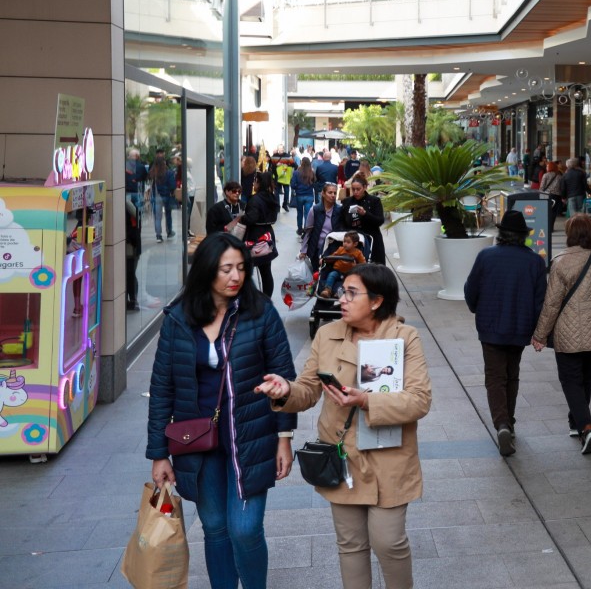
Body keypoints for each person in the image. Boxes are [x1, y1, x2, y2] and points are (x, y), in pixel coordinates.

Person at [256, 264, 432, 589]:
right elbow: (307, 390)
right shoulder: (327, 334)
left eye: (352, 293)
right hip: (343, 457)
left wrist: (366, 401)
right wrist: (285, 391)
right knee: (350, 545)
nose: (341, 299)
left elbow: (419, 400)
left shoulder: (404, 338)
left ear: (377, 301)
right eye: (342, 291)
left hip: (390, 458)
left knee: (389, 542)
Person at [146, 233, 297, 589]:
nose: (236, 277)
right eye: (226, 269)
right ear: (206, 271)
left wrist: (284, 436)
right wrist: (158, 454)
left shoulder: (259, 313)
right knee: (214, 528)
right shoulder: (178, 320)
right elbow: (162, 389)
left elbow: (284, 380)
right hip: (197, 442)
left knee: (244, 529)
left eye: (242, 268)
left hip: (251, 436)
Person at [531, 214, 591, 454]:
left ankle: (586, 427)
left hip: (569, 332)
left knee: (570, 380)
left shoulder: (561, 262)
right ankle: (576, 422)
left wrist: (540, 335)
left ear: (570, 235)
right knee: (586, 377)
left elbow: (552, 304)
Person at [463, 210, 547, 456]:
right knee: (512, 374)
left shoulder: (486, 256)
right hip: (520, 328)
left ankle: (502, 424)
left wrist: (475, 308)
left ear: (501, 234)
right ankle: (508, 421)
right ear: (523, 236)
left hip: (490, 327)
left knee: (495, 377)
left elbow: (471, 289)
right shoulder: (535, 261)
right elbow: (540, 300)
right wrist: (539, 331)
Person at [243, 171, 280, 299]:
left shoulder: (255, 199)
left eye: (255, 181)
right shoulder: (272, 197)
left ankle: (250, 298)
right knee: (266, 271)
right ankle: (266, 298)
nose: (253, 184)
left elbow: (251, 218)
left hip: (255, 236)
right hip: (268, 234)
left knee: (247, 269)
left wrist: (242, 218)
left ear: (259, 183)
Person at [341, 175, 386, 264]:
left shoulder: (374, 201)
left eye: (358, 189)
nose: (355, 192)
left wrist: (366, 214)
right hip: (353, 241)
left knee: (374, 267)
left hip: (372, 238)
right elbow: (342, 221)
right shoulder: (347, 202)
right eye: (353, 189)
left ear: (365, 187)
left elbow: (380, 220)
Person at [303, 181, 344, 274]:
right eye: (330, 192)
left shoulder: (340, 210)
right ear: (323, 194)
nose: (333, 195)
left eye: (335, 193)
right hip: (316, 250)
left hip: (333, 251)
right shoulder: (315, 210)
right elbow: (308, 231)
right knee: (315, 275)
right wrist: (303, 250)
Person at [320, 231, 366, 297]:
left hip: (350, 273)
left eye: (348, 242)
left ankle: (340, 293)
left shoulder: (358, 253)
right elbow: (332, 257)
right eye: (344, 241)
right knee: (331, 275)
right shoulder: (340, 249)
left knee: (350, 281)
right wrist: (324, 260)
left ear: (355, 244)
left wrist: (357, 266)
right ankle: (327, 290)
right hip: (337, 271)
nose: (345, 244)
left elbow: (363, 264)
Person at [146, 149, 176, 242]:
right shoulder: (169, 172)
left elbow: (148, 180)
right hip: (166, 195)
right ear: (164, 163)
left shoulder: (153, 173)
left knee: (157, 217)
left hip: (156, 196)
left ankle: (158, 236)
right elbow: (172, 186)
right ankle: (169, 232)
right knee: (168, 214)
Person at [291, 156, 318, 235]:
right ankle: (306, 230)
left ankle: (299, 229)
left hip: (299, 195)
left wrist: (297, 188)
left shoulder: (296, 172)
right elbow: (315, 183)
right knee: (307, 213)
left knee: (299, 213)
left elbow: (292, 185)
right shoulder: (311, 172)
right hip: (309, 195)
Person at [125, 194, 142, 311]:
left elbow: (137, 216)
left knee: (130, 273)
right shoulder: (126, 203)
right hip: (130, 244)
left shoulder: (126, 204)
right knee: (129, 274)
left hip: (131, 246)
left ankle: (133, 299)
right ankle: (131, 299)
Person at [539, 160, 565, 231]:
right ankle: (551, 227)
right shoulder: (559, 176)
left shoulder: (545, 175)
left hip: (546, 195)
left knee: (545, 211)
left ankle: (545, 226)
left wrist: (540, 195)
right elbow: (561, 187)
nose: (546, 167)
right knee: (553, 212)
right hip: (556, 196)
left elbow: (542, 187)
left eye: (547, 166)